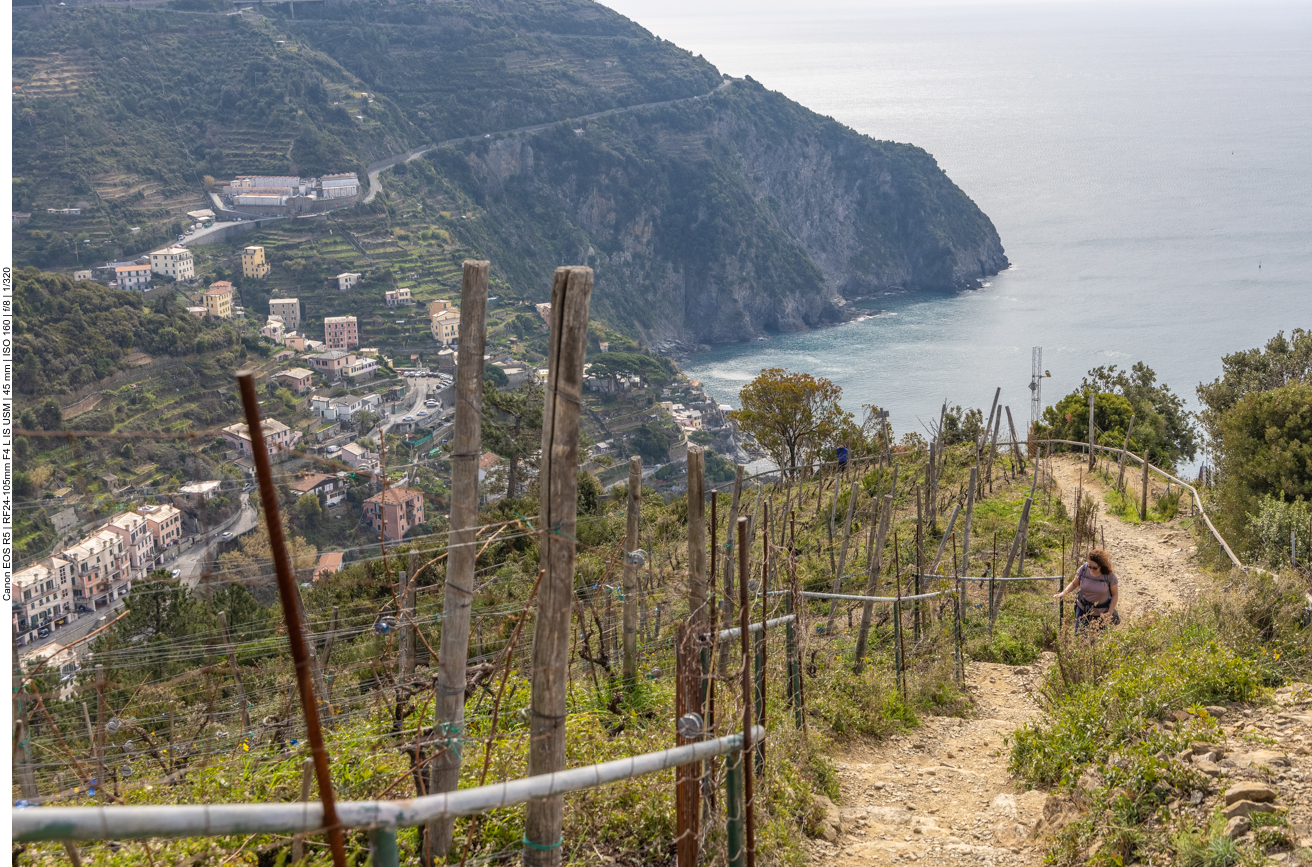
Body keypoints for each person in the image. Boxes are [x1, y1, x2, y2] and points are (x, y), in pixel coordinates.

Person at [1054, 548, 1120, 634]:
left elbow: (1115, 595)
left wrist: (1109, 613)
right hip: (1082, 609)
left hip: (1101, 613)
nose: (1091, 569)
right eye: (1089, 566)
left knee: (1097, 640)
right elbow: (1074, 584)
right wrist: (1064, 592)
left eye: (1095, 568)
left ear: (1101, 566)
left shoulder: (1109, 576)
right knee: (1079, 636)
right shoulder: (1084, 569)